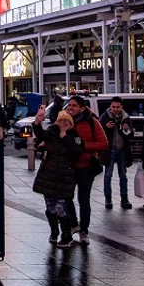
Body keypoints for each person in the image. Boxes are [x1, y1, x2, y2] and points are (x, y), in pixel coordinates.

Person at [37, 95, 107, 244]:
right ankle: (72, 225)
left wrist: (84, 146)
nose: (70, 108)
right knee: (65, 200)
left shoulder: (92, 122)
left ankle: (84, 231)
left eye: (74, 105)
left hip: (85, 167)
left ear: (82, 108)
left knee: (84, 199)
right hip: (66, 169)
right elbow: (49, 137)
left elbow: (103, 144)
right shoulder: (63, 122)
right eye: (69, 105)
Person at [33, 110, 84, 248]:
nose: (63, 123)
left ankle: (66, 235)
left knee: (61, 207)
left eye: (66, 121)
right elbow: (40, 134)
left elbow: (77, 151)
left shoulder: (74, 136)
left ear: (70, 123)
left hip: (64, 176)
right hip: (48, 175)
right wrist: (37, 122)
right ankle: (54, 231)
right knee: (50, 208)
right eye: (60, 120)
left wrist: (64, 136)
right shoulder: (51, 133)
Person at [100, 97, 134, 210]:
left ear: (121, 107)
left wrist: (126, 129)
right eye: (113, 107)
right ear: (110, 106)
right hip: (110, 150)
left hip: (122, 150)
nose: (115, 109)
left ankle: (124, 199)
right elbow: (99, 132)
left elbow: (130, 134)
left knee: (123, 175)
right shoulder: (105, 117)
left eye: (117, 107)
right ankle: (108, 199)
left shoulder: (125, 117)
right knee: (108, 175)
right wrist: (106, 127)